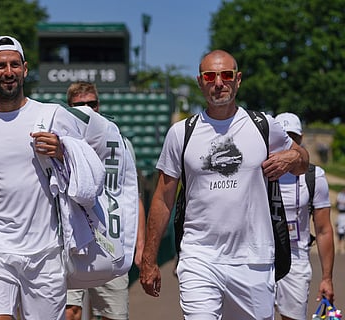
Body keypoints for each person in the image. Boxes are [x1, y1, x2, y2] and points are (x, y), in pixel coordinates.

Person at [139, 50, 309, 319]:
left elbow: (303, 162)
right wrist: (149, 259)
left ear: (237, 80)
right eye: (210, 76)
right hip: (199, 257)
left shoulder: (264, 125)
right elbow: (162, 197)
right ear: (200, 81)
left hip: (254, 260)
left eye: (226, 75)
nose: (218, 82)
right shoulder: (181, 133)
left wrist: (293, 156)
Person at [0, 36, 98, 320]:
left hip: (47, 254)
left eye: (14, 65)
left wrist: (63, 150)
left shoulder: (53, 115)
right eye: (0, 66)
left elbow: (91, 170)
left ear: (25, 69)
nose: (8, 72)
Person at [64, 81, 146, 320]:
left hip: (111, 238)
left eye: (92, 103)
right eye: (80, 105)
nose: (87, 109)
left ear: (99, 106)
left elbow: (133, 198)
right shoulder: (60, 142)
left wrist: (139, 246)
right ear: (70, 108)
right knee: (70, 312)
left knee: (114, 316)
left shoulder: (120, 143)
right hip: (73, 242)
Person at [274, 112, 334, 320]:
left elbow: (324, 229)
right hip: (259, 256)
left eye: (293, 137)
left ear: (300, 139)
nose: (287, 142)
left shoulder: (314, 176)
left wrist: (327, 278)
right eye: (282, 136)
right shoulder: (259, 170)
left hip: (296, 259)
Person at [336, 188, 345, 254]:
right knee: (340, 233)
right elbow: (337, 202)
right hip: (341, 213)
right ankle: (339, 247)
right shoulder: (340, 195)